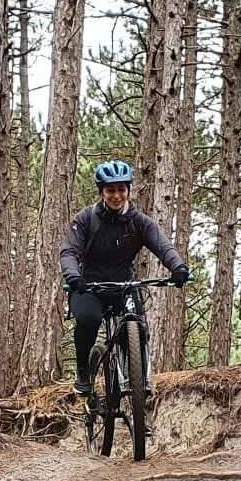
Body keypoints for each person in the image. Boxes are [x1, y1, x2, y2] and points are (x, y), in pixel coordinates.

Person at [59, 161, 191, 397]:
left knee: (138, 325)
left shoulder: (139, 221)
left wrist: (178, 267)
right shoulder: (86, 219)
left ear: (128, 190)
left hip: (125, 285)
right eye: (111, 190)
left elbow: (163, 246)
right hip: (89, 286)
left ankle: (139, 381)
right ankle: (82, 372)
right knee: (88, 319)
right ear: (102, 192)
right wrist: (74, 277)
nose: (117, 196)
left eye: (121, 189)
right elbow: (69, 252)